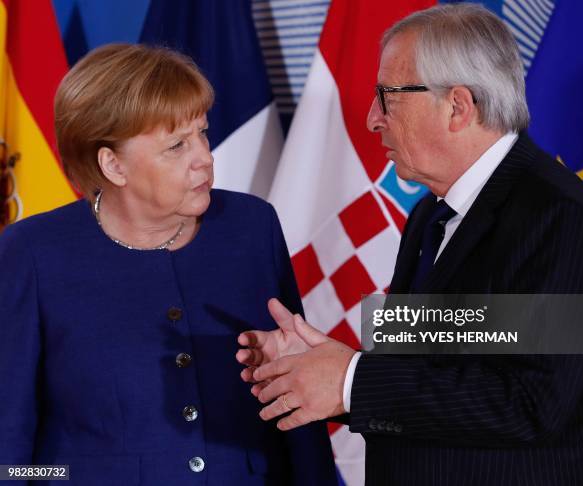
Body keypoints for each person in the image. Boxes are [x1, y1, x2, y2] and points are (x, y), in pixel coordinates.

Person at [237, 4, 583, 485]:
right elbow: (437, 370)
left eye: (387, 96)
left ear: (458, 106)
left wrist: (350, 381)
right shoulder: (429, 215)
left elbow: (532, 404)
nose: (373, 119)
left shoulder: (562, 220)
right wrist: (320, 365)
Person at [0, 43, 337, 486]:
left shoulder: (252, 227)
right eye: (176, 145)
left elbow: (297, 390)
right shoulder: (33, 250)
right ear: (113, 164)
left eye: (202, 133)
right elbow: (9, 439)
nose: (203, 157)